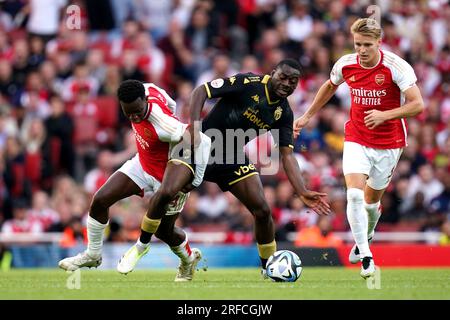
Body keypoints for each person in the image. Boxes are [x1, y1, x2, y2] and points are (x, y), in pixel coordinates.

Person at [126, 59, 330, 278]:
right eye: (283, 77)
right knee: (166, 195)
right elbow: (200, 92)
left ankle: (268, 268)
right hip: (200, 143)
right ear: (273, 73)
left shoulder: (284, 113)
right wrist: (195, 129)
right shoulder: (248, 83)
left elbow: (287, 155)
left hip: (231, 156)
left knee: (262, 210)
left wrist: (301, 191)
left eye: (293, 81)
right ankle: (142, 245)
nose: (287, 84)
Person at [293, 18, 424, 278]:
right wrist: (307, 117)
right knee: (353, 195)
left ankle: (367, 234)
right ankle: (366, 257)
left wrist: (385, 115)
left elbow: (417, 104)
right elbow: (329, 86)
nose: (362, 50)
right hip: (356, 137)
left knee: (370, 203)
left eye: (367, 44)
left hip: (389, 143)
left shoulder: (396, 67)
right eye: (357, 44)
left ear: (378, 43)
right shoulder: (346, 64)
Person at [58, 80, 211, 282]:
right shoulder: (146, 89)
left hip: (167, 177)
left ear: (145, 101)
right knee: (100, 199)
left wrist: (197, 179)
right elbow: (170, 103)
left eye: (138, 111)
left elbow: (203, 141)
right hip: (142, 164)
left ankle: (188, 259)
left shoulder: (165, 124)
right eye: (129, 113)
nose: (134, 117)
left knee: (164, 231)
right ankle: (93, 255)